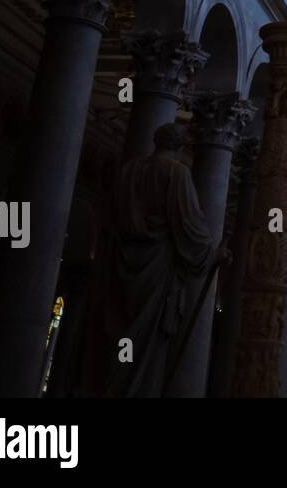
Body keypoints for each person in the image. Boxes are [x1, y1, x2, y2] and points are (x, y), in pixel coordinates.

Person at [105, 124, 216, 397]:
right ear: (180, 146)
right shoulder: (176, 173)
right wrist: (213, 254)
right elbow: (188, 223)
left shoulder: (129, 170)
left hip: (124, 259)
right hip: (158, 265)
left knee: (122, 330)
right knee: (149, 341)